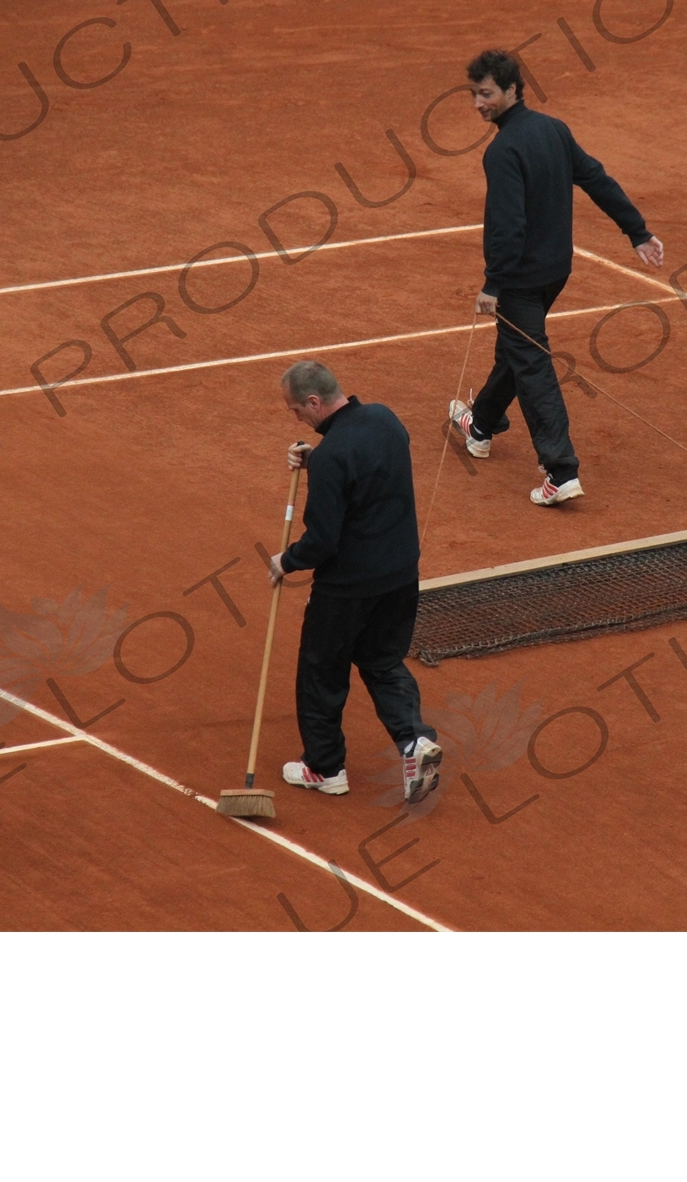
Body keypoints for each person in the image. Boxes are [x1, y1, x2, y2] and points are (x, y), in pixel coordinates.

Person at [450, 48, 665, 505]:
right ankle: (481, 425)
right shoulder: (553, 129)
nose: (478, 104)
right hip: (555, 273)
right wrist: (637, 231)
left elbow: (508, 226)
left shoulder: (503, 151)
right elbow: (597, 179)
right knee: (516, 348)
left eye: (485, 94)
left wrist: (493, 284)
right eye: (474, 94)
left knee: (531, 365)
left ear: (511, 90)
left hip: (521, 281)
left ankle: (560, 470)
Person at [268, 359, 442, 803]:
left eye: (297, 410)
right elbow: (367, 468)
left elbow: (323, 541)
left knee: (321, 672)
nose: (297, 418)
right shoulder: (386, 419)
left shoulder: (333, 457)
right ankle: (415, 740)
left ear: (313, 401)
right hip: (401, 575)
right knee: (383, 662)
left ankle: (324, 768)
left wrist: (286, 561)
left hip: (346, 590)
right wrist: (319, 460)